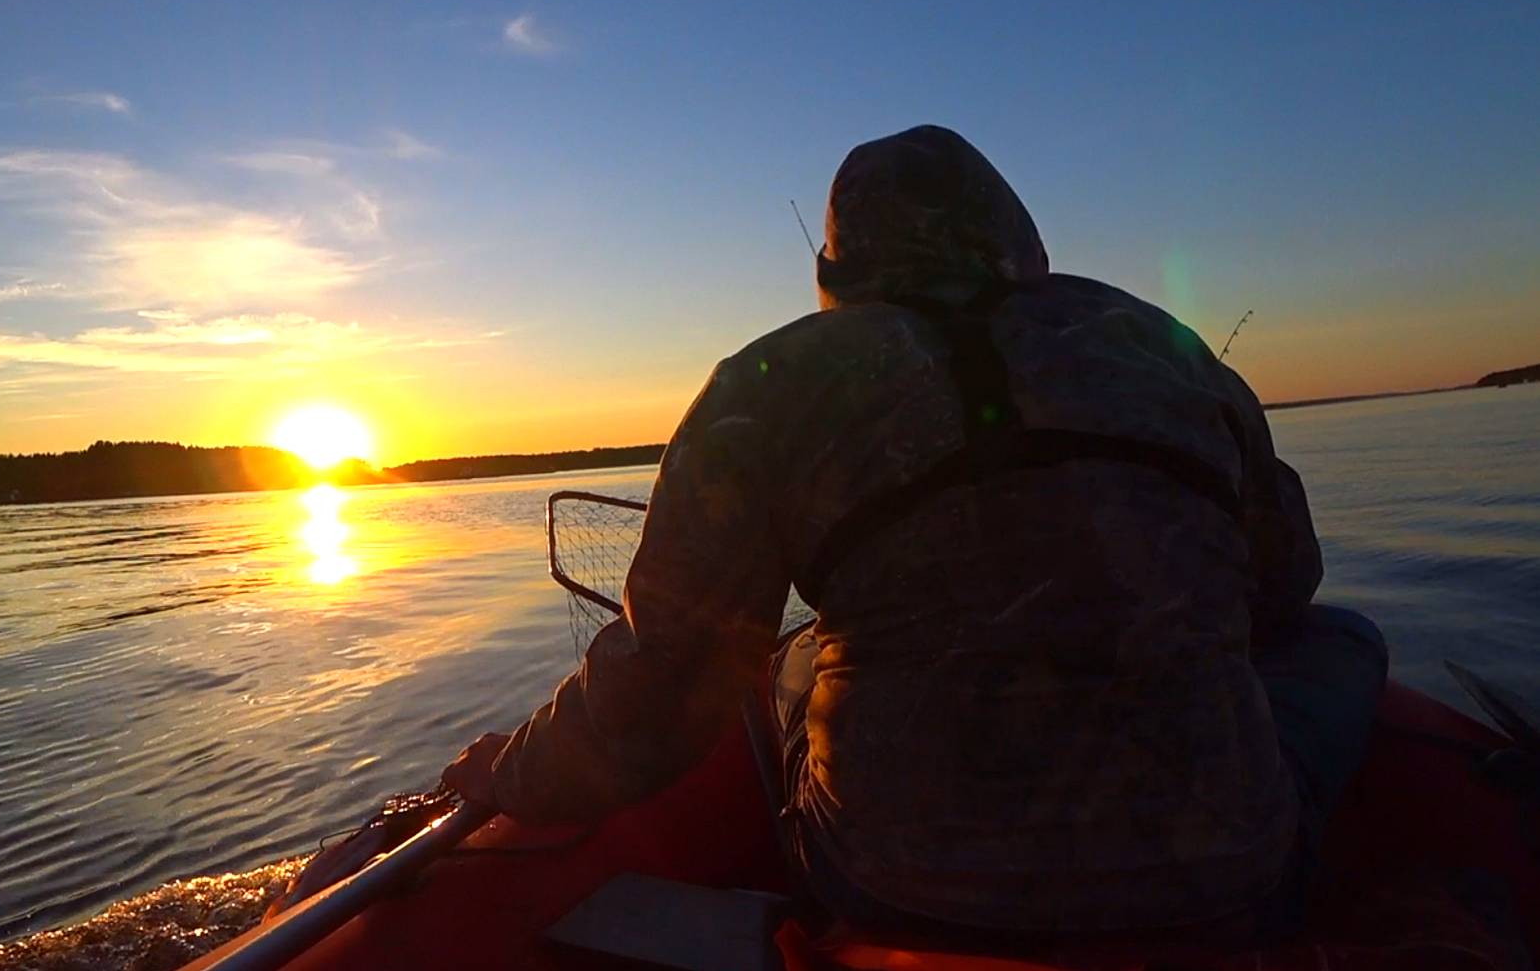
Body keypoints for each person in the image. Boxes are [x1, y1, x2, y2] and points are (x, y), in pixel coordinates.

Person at [442, 125, 1388, 944]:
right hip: (1234, 885)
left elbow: (668, 689)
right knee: (1346, 639)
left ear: (835, 270)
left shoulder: (766, 380)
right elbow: (1283, 585)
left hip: (893, 891)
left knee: (793, 660)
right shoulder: (1159, 343)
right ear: (1025, 244)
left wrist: (511, 771)